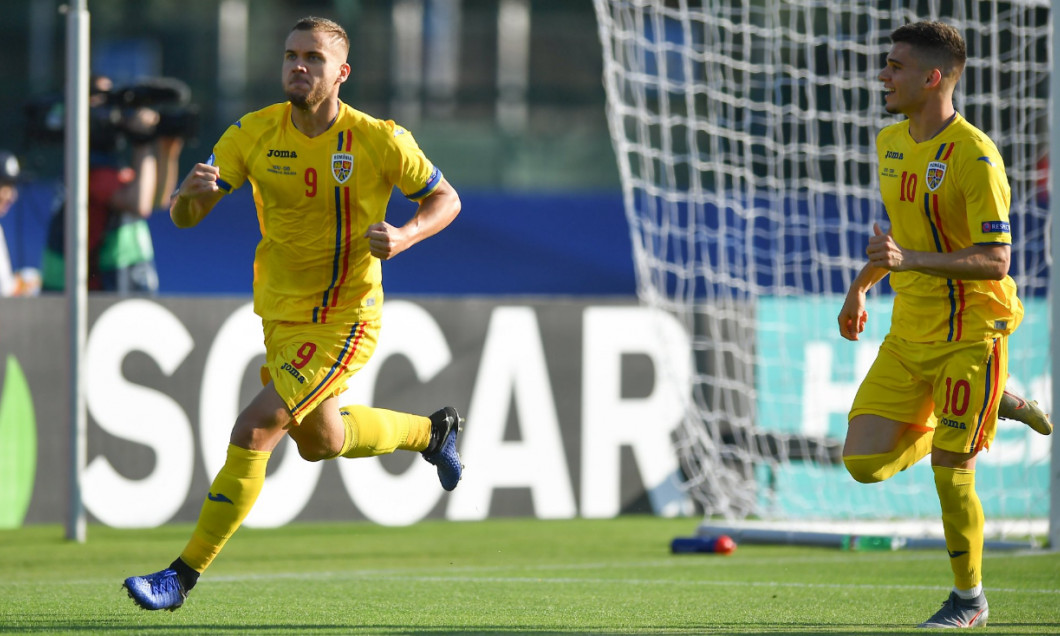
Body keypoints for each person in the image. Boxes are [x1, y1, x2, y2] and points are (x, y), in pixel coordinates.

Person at [122, 16, 464, 611]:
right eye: (290, 55)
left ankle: (180, 576)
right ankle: (432, 432)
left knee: (256, 428)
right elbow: (182, 217)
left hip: (346, 316)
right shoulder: (252, 133)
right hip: (279, 316)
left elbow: (445, 198)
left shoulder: (379, 139)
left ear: (342, 73)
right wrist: (192, 194)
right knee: (322, 440)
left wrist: (406, 237)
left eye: (313, 57)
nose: (298, 66)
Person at [838, 21, 1050, 630]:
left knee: (952, 472)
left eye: (895, 65)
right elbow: (901, 241)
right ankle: (993, 409)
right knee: (862, 462)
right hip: (908, 335)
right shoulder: (889, 143)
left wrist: (909, 262)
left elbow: (996, 260)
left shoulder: (976, 157)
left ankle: (969, 601)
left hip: (972, 335)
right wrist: (860, 287)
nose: (883, 74)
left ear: (932, 77)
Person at [40, 75, 183, 294]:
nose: (110, 107)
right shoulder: (91, 169)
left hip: (121, 283)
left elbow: (159, 200)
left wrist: (167, 151)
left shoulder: (109, 166)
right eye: (99, 98)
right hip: (97, 290)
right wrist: (142, 142)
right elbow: (139, 204)